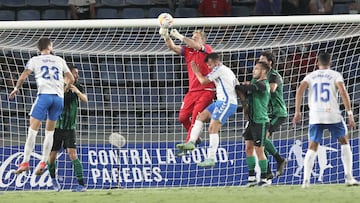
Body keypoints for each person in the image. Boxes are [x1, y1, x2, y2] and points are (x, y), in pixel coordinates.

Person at [292, 52, 359, 188]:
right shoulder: (335, 75)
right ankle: (349, 177)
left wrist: (298, 111)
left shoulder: (310, 76)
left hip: (316, 115)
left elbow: (299, 90)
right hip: (332, 114)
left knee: (313, 146)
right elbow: (343, 92)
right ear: (331, 63)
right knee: (344, 142)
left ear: (317, 63)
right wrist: (350, 114)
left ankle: (305, 181)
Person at [9, 38, 74, 175]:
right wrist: (65, 88)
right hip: (58, 99)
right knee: (49, 132)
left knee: (32, 131)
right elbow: (71, 78)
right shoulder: (59, 60)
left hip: (44, 96)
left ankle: (25, 162)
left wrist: (16, 88)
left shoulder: (35, 60)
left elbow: (23, 76)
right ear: (50, 47)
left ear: (39, 49)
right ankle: (44, 161)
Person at [159, 27, 215, 157]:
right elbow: (172, 47)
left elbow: (195, 45)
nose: (193, 39)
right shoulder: (188, 51)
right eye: (193, 36)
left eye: (196, 37)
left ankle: (189, 143)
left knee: (196, 116)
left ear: (203, 40)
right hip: (192, 91)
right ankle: (196, 137)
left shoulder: (207, 49)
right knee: (182, 117)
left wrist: (180, 36)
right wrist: (166, 36)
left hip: (206, 90)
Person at [176, 53, 239, 167]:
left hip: (227, 102)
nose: (209, 67)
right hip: (220, 101)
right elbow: (237, 86)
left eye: (210, 65)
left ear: (216, 62)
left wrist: (196, 71)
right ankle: (191, 141)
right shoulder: (227, 71)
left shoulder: (219, 69)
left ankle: (211, 158)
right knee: (201, 116)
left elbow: (204, 81)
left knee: (212, 128)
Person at [47, 66, 88, 192]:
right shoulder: (57, 86)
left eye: (77, 73)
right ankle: (54, 180)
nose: (77, 76)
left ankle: (82, 184)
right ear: (68, 74)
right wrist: (66, 87)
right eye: (75, 73)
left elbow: (85, 100)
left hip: (70, 128)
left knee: (73, 154)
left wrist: (77, 92)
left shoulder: (78, 86)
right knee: (52, 156)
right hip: (56, 127)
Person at [236, 61, 271, 187]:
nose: (253, 71)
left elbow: (246, 88)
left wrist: (237, 85)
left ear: (263, 72)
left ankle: (264, 179)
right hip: (251, 121)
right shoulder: (255, 83)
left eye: (256, 69)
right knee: (248, 148)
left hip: (260, 122)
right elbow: (245, 91)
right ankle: (251, 177)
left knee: (259, 150)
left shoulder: (262, 84)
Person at [259, 51, 288, 181]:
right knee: (259, 141)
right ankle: (269, 171)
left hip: (278, 113)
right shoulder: (261, 76)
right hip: (267, 113)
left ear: (270, 62)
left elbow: (272, 89)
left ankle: (280, 159)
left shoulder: (274, 75)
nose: (259, 62)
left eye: (262, 60)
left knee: (262, 139)